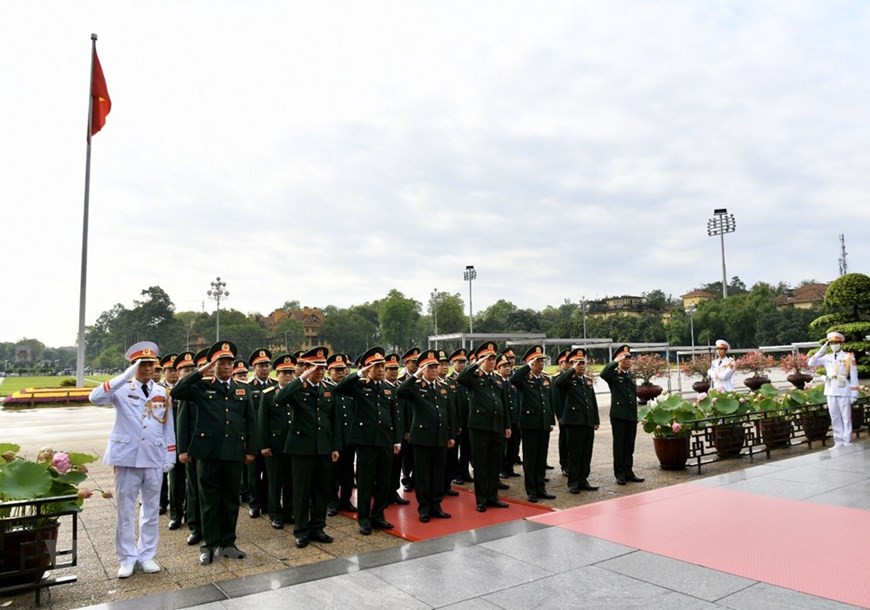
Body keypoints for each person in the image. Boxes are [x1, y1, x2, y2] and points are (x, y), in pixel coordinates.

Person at [89, 341, 176, 579]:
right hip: (127, 458)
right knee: (125, 511)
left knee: (151, 510)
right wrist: (123, 376)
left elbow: (168, 427)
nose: (148, 369)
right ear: (133, 366)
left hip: (153, 457)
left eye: (151, 364)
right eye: (142, 365)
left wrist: (170, 455)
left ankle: (147, 554)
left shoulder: (162, 392)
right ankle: (126, 557)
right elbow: (94, 397)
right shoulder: (121, 389)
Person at [172, 341, 256, 566]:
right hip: (208, 453)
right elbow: (177, 391)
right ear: (213, 365)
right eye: (221, 362)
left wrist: (250, 449)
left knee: (231, 499)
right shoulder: (201, 386)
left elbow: (250, 422)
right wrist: (200, 372)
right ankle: (208, 545)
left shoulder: (242, 387)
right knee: (208, 501)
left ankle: (228, 542)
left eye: (230, 362)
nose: (227, 366)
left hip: (233, 453)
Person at [275, 347, 340, 548]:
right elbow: (279, 398)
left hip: (323, 447)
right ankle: (301, 531)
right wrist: (301, 377)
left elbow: (334, 420)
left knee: (321, 490)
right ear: (306, 368)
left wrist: (335, 446)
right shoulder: (297, 388)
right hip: (301, 448)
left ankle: (318, 527)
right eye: (315, 368)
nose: (319, 371)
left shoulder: (328, 389)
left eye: (322, 367)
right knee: (301, 491)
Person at [335, 346, 402, 535]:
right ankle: (364, 519)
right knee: (365, 482)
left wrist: (396, 440)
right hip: (366, 442)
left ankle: (378, 515)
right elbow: (341, 388)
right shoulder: (359, 386)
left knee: (383, 482)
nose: (381, 369)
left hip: (385, 441)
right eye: (377, 366)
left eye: (383, 366)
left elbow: (394, 416)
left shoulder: (388, 388)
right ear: (368, 368)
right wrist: (359, 374)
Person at [397, 349, 456, 522]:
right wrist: (416, 376)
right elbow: (400, 391)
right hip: (422, 438)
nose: (433, 370)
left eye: (435, 367)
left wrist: (451, 434)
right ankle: (424, 508)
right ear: (422, 369)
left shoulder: (443, 387)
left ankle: (436, 505)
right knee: (423, 475)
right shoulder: (415, 387)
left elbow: (449, 413)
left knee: (438, 474)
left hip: (440, 437)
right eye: (429, 367)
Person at [457, 342, 512, 512]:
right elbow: (461, 378)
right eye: (488, 359)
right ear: (481, 360)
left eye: (493, 359)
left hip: (497, 426)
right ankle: (481, 499)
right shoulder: (474, 377)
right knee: (481, 465)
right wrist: (476, 363)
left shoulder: (496, 378)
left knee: (495, 463)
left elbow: (504, 403)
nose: (492, 362)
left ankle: (493, 496)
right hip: (479, 427)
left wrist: (507, 425)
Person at [509, 346, 556, 502]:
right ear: (530, 363)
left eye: (542, 361)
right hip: (530, 424)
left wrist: (550, 421)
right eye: (537, 361)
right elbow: (513, 379)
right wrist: (527, 366)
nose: (541, 364)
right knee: (530, 459)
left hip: (543, 424)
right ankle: (531, 491)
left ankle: (541, 488)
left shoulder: (545, 379)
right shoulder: (524, 379)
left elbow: (548, 402)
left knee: (541, 458)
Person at [258, 354, 296, 529]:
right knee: (274, 481)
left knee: (291, 481)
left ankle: (289, 511)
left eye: (290, 372)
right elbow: (263, 422)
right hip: (275, 445)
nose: (288, 376)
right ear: (277, 374)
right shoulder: (268, 394)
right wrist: (264, 445)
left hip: (293, 444)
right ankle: (275, 513)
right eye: (284, 372)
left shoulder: (297, 391)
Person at [555, 348, 600, 493]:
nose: (581, 365)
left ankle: (583, 479)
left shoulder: (587, 380)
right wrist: (572, 370)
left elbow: (592, 401)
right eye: (578, 363)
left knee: (587, 452)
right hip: (574, 422)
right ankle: (573, 482)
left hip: (587, 421)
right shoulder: (568, 379)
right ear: (572, 364)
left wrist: (596, 419)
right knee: (575, 453)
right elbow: (558, 383)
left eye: (583, 363)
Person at [176, 348, 208, 547]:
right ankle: (196, 527)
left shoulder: (223, 389)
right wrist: (183, 449)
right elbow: (183, 422)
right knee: (195, 489)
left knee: (213, 490)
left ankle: (213, 525)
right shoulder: (192, 390)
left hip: (215, 449)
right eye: (206, 367)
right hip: (195, 449)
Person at [600, 344, 644, 486]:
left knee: (629, 445)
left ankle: (628, 471)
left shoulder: (630, 375)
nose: (629, 360)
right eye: (626, 358)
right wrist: (615, 361)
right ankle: (620, 474)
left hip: (630, 415)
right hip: (618, 415)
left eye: (630, 357)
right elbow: (603, 373)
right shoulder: (614, 375)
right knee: (619, 445)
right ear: (620, 360)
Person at [808, 332, 859, 448]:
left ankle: (847, 440)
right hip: (830, 389)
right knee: (834, 416)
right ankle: (838, 440)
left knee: (846, 416)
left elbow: (854, 377)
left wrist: (854, 394)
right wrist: (822, 349)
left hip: (844, 389)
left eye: (836, 343)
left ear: (841, 343)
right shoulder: (827, 357)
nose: (834, 345)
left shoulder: (848, 357)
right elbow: (811, 363)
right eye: (831, 343)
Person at [324, 353, 357, 516]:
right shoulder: (325, 388)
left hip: (349, 438)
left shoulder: (349, 388)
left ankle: (346, 500)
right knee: (332, 473)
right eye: (336, 370)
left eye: (343, 370)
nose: (340, 373)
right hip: (332, 438)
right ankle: (332, 502)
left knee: (348, 472)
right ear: (329, 371)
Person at [245, 348, 275, 519]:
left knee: (271, 475)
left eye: (267, 365)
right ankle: (255, 504)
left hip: (270, 438)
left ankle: (269, 503)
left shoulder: (274, 386)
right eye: (261, 366)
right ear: (254, 367)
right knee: (254, 475)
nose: (264, 369)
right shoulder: (247, 387)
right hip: (254, 439)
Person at [448, 349, 473, 485]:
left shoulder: (468, 379)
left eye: (464, 361)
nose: (462, 364)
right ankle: (455, 473)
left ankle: (464, 471)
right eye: (460, 362)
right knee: (454, 449)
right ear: (453, 363)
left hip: (468, 419)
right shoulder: (450, 380)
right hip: (458, 420)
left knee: (467, 448)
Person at [551, 349, 571, 476]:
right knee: (564, 440)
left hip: (574, 414)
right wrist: (559, 416)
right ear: (560, 364)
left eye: (569, 362)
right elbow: (556, 399)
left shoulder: (574, 376)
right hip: (564, 414)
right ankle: (564, 464)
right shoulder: (557, 379)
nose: (567, 364)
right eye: (564, 362)